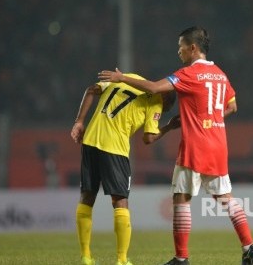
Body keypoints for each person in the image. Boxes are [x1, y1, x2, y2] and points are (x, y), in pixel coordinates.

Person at [98, 26, 253, 265]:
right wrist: (210, 119)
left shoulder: (189, 74)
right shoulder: (220, 74)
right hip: (218, 143)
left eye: (181, 46)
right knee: (226, 198)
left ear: (193, 48)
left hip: (196, 146)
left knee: (181, 198)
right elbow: (232, 107)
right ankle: (249, 246)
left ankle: (181, 258)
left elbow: (154, 88)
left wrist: (122, 78)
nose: (179, 52)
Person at [70, 73, 178, 265]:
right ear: (166, 96)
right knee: (120, 202)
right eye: (166, 107)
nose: (163, 109)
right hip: (115, 149)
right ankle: (121, 260)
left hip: (91, 141)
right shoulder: (155, 100)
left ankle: (85, 257)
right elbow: (149, 138)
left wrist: (79, 121)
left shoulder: (127, 77)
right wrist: (169, 126)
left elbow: (91, 90)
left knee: (87, 197)